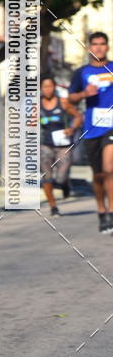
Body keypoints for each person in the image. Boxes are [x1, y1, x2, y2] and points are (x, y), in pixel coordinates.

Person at [68, 31, 113, 234]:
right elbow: (70, 99)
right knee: (99, 175)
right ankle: (101, 211)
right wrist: (85, 93)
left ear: (107, 47)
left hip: (111, 127)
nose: (98, 47)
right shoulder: (81, 72)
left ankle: (111, 212)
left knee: (109, 168)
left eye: (102, 44)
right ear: (89, 47)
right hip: (92, 127)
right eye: (94, 44)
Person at [39, 76, 82, 216]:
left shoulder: (63, 103)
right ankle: (53, 206)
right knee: (47, 176)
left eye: (50, 86)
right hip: (45, 144)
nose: (47, 89)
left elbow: (78, 116)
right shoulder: (35, 105)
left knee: (61, 176)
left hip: (63, 144)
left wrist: (72, 129)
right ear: (40, 89)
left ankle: (64, 184)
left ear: (55, 87)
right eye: (44, 87)